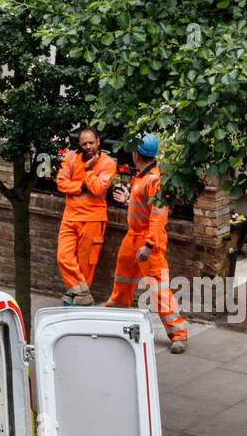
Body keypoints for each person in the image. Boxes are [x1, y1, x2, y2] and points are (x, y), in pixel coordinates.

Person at [106, 133, 188, 353]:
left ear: (136, 154)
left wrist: (149, 245)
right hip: (133, 237)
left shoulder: (154, 180)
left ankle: (178, 334)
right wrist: (128, 201)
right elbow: (144, 207)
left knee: (158, 289)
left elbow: (159, 216)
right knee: (122, 281)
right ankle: (113, 320)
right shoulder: (145, 177)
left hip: (145, 242)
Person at [55, 126, 116, 306]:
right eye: (84, 144)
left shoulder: (107, 163)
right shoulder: (71, 157)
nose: (88, 146)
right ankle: (82, 297)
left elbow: (98, 189)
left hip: (93, 219)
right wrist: (82, 187)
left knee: (85, 266)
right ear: (79, 145)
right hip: (70, 216)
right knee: (63, 258)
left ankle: (75, 300)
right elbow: (61, 183)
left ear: (98, 142)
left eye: (91, 142)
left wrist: (88, 170)